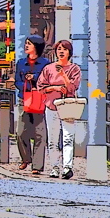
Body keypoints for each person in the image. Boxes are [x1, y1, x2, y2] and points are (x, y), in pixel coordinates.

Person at [37, 39, 82, 179]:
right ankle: (54, 167)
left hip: (68, 106)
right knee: (52, 139)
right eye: (59, 49)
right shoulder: (48, 68)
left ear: (69, 53)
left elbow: (72, 87)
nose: (61, 52)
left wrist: (63, 75)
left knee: (68, 137)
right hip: (51, 106)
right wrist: (54, 87)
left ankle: (67, 167)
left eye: (65, 49)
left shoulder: (74, 69)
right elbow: (41, 87)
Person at [15, 34, 50, 174]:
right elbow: (17, 80)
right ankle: (26, 158)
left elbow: (47, 79)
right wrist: (27, 86)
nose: (26, 46)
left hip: (39, 100)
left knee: (39, 133)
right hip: (24, 99)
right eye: (26, 43)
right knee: (21, 132)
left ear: (37, 46)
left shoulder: (45, 63)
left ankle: (37, 166)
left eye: (29, 44)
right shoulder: (21, 62)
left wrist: (34, 79)